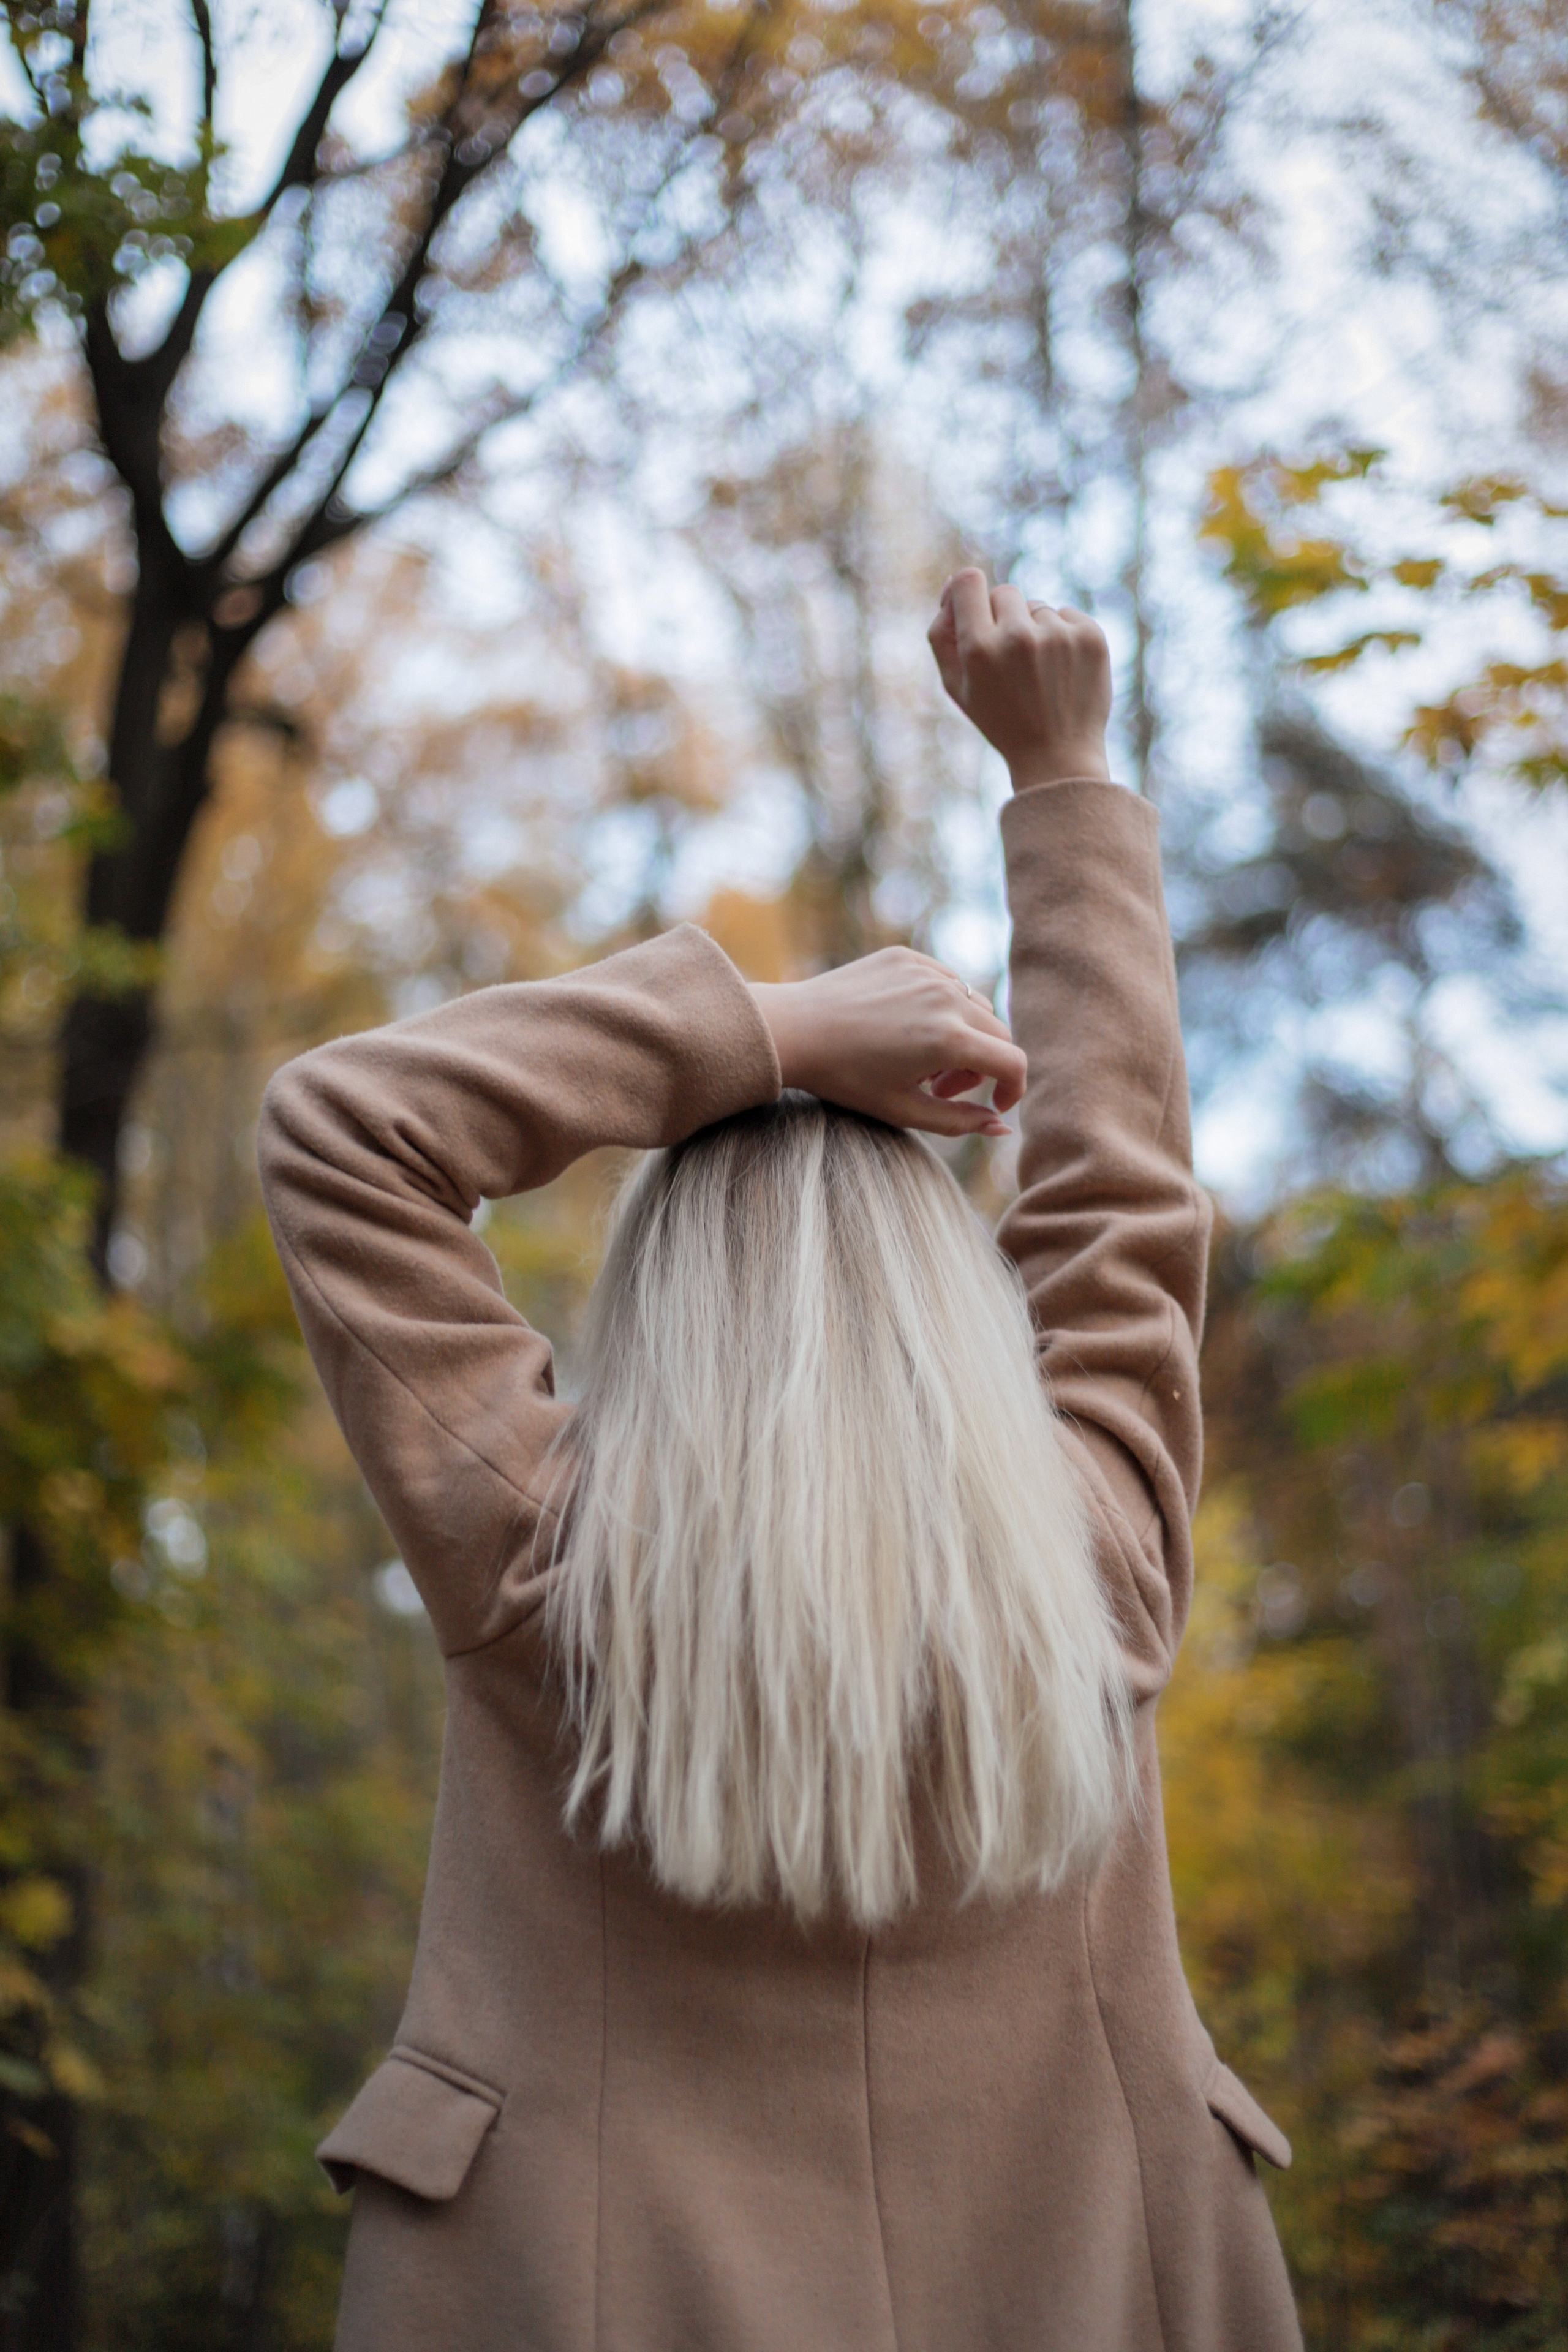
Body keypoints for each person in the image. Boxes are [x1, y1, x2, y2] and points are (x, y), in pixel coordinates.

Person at [258, 571, 1302, 2351]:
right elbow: (1119, 1198)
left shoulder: (549, 1569)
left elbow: (345, 1130)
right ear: (955, 1317)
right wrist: (1064, 776)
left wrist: (781, 1030)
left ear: (665, 1313)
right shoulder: (1096, 1568)